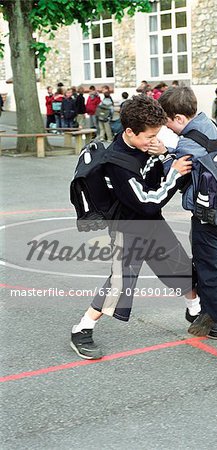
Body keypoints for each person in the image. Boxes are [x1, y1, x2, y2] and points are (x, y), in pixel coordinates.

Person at [70, 94, 194, 360]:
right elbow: (148, 202)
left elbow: (154, 179)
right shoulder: (118, 165)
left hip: (150, 223)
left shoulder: (142, 146)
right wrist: (174, 173)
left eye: (156, 134)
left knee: (180, 267)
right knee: (120, 283)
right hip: (129, 227)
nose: (154, 140)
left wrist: (163, 156)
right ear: (129, 131)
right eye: (149, 136)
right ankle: (82, 329)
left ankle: (194, 310)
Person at [157, 87, 217, 359]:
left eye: (167, 121)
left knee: (212, 276)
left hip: (209, 215)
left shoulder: (187, 143)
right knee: (206, 265)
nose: (167, 126)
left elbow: (175, 172)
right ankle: (208, 318)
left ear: (178, 117)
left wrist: (165, 155)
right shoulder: (207, 124)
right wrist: (172, 147)